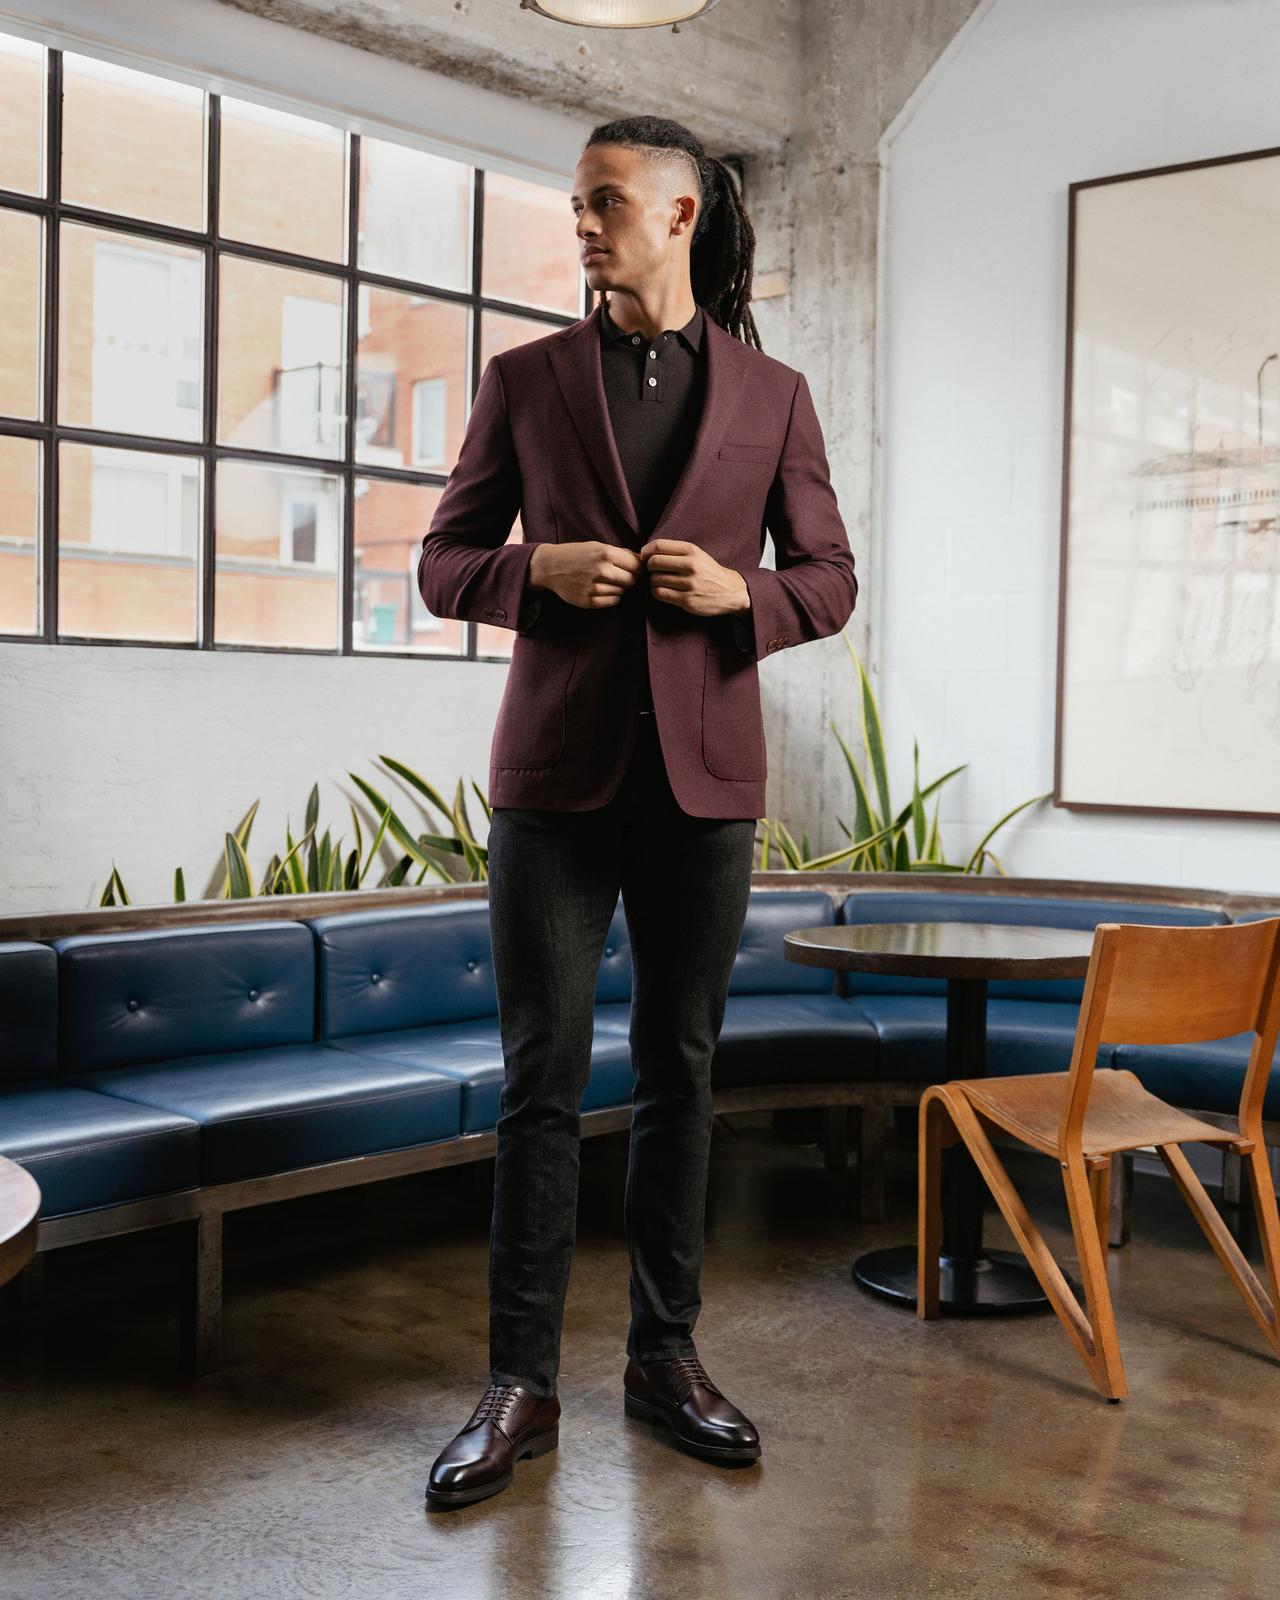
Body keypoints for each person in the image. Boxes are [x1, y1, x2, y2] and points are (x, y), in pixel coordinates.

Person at [417, 115, 858, 1509]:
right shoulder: (526, 378)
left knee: (683, 1074)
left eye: (607, 203)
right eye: (578, 203)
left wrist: (754, 599)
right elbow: (442, 564)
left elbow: (834, 574)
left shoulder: (775, 394)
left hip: (705, 784)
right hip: (553, 785)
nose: (584, 224)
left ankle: (667, 1361)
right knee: (540, 1086)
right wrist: (533, 570)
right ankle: (517, 1383)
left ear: (678, 218)